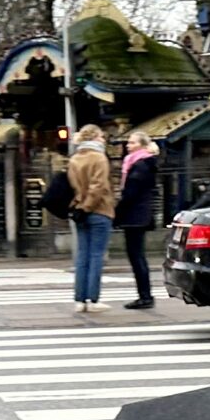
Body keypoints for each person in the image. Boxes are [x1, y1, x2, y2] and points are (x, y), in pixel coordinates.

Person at [66, 129, 116, 312]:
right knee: (96, 256)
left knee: (82, 256)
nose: (103, 139)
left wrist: (80, 206)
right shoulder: (99, 158)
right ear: (94, 137)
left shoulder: (74, 159)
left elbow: (73, 186)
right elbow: (98, 186)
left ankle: (79, 300)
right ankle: (93, 299)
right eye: (102, 136)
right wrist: (88, 206)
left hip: (78, 210)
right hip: (99, 210)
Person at [113, 133, 160, 310]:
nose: (128, 145)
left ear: (142, 145)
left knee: (136, 256)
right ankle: (145, 295)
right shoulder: (140, 163)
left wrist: (117, 214)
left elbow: (130, 194)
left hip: (136, 215)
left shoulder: (139, 166)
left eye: (132, 142)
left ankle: (145, 296)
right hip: (139, 214)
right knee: (137, 255)